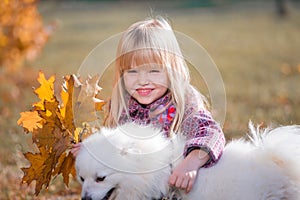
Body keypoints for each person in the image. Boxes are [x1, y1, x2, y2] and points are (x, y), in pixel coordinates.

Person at [72, 16, 225, 194]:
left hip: (183, 189)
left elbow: (212, 133)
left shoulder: (183, 101)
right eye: (132, 71)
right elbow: (116, 153)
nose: (142, 81)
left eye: (154, 71)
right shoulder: (123, 105)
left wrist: (192, 162)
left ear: (172, 70)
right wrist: (92, 153)